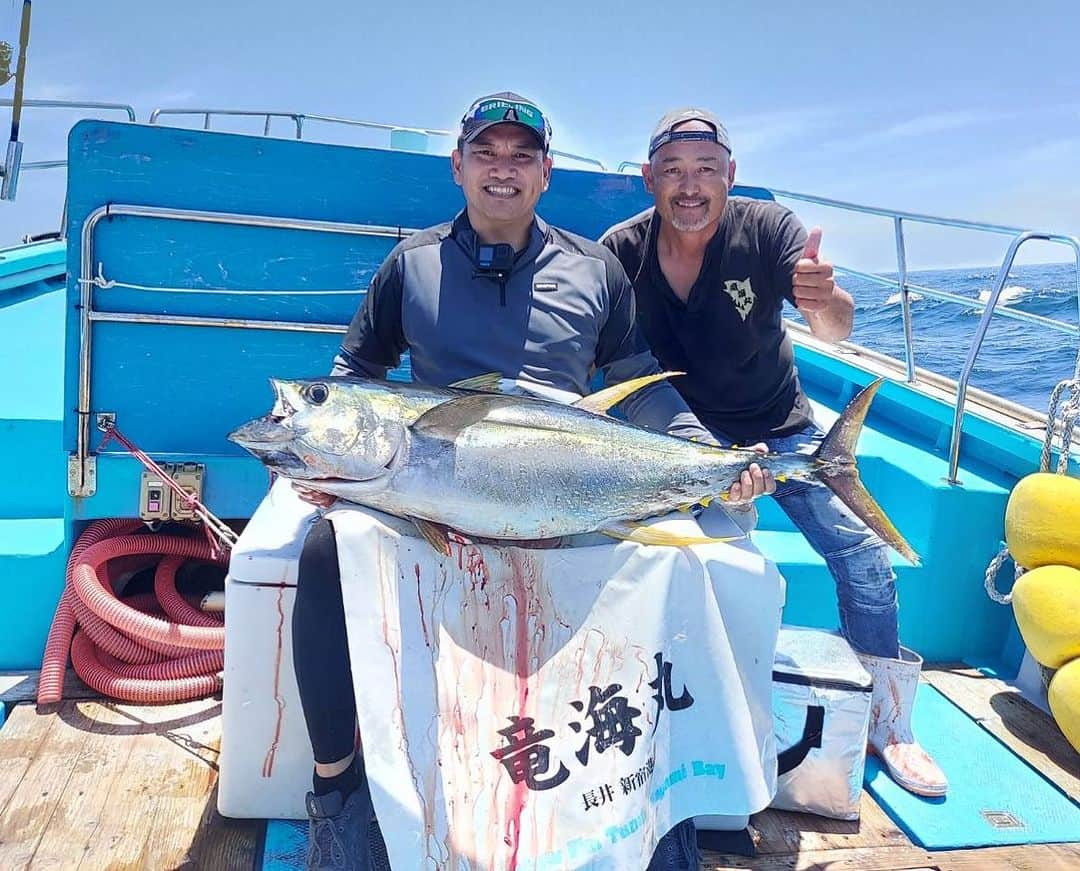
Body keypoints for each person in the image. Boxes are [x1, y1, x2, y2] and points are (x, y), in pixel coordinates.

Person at [292, 93, 773, 871]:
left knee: (697, 561)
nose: (503, 170)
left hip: (566, 487)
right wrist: (329, 461)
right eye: (487, 153)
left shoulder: (594, 270)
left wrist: (704, 451)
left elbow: (640, 382)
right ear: (458, 166)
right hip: (434, 498)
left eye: (521, 156)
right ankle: (337, 794)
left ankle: (669, 800)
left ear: (547, 174)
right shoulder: (409, 265)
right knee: (320, 557)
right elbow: (356, 375)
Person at [600, 108, 947, 798]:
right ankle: (669, 712)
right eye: (672, 171)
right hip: (676, 440)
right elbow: (606, 355)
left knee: (862, 554)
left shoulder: (767, 227)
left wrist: (826, 301)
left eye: (705, 170)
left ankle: (890, 719)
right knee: (651, 561)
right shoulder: (619, 249)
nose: (689, 186)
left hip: (779, 427)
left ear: (731, 176)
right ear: (648, 179)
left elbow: (835, 323)